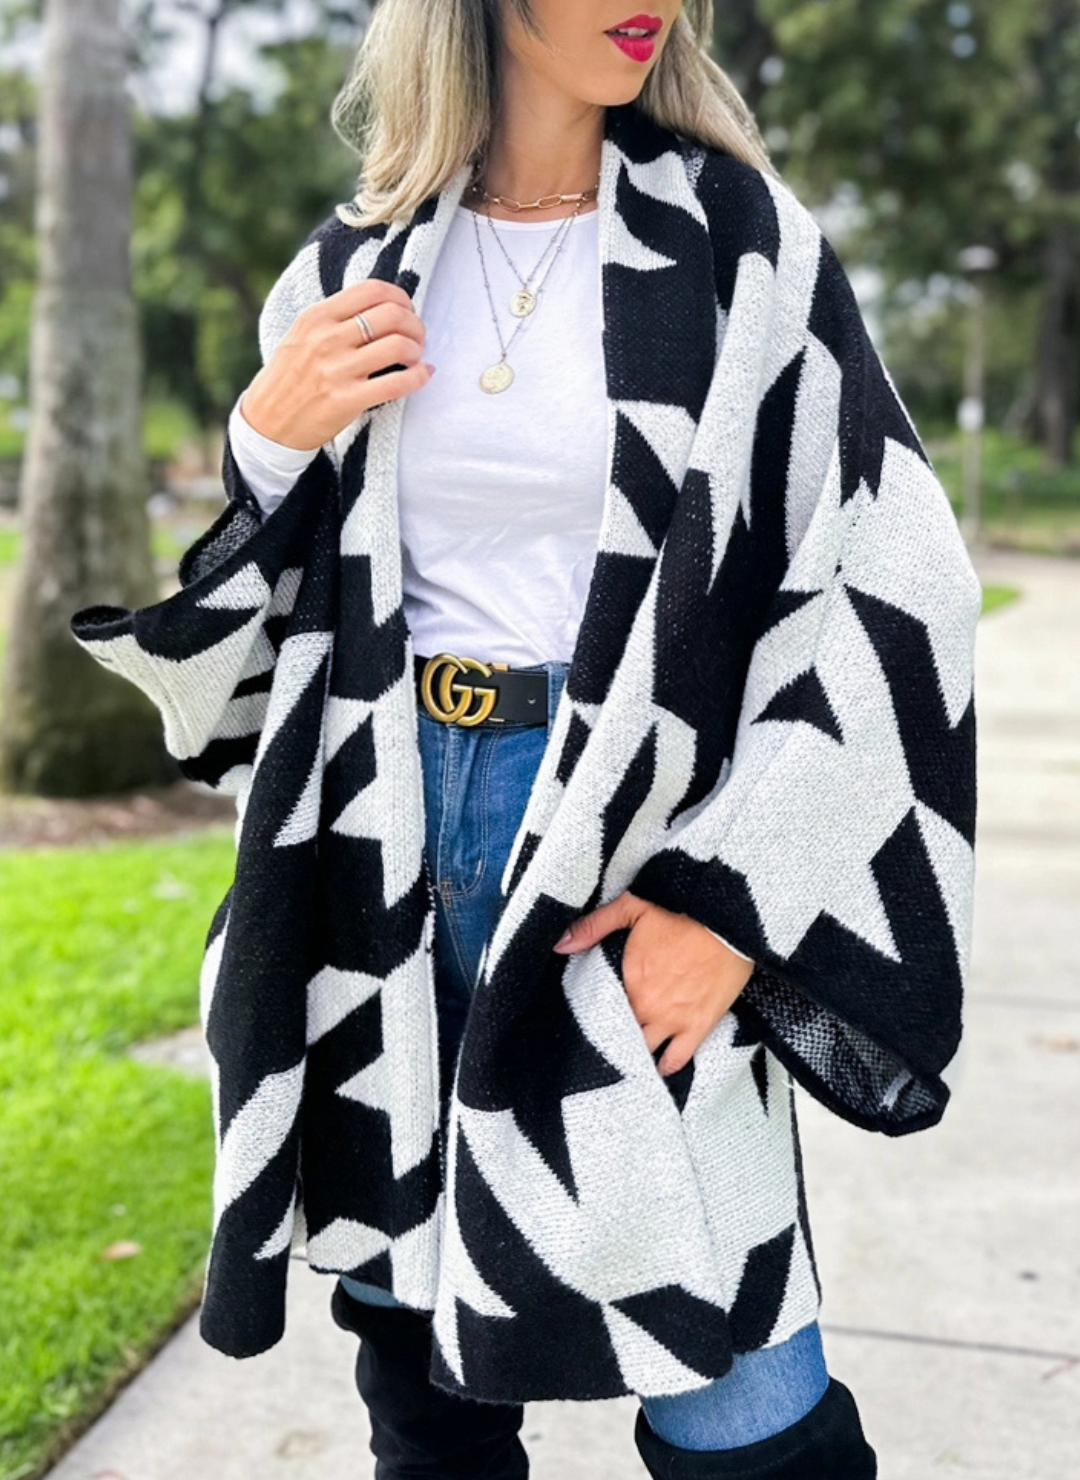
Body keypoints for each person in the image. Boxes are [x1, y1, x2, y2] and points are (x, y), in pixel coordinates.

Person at [70, 2, 980, 1476]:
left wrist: (734, 904)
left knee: (742, 1395)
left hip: (633, 843)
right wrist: (263, 439)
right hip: (390, 852)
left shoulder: (739, 244)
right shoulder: (349, 263)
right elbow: (256, 659)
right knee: (425, 1387)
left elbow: (896, 578)